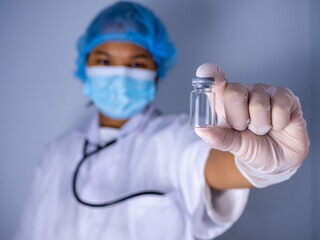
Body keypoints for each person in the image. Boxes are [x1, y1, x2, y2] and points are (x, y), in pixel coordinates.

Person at [13, 1, 309, 240]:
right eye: (104, 61)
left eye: (137, 63)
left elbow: (221, 165)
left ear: (156, 71)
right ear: (85, 67)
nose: (121, 74)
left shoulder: (181, 138)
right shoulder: (56, 154)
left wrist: (265, 163)